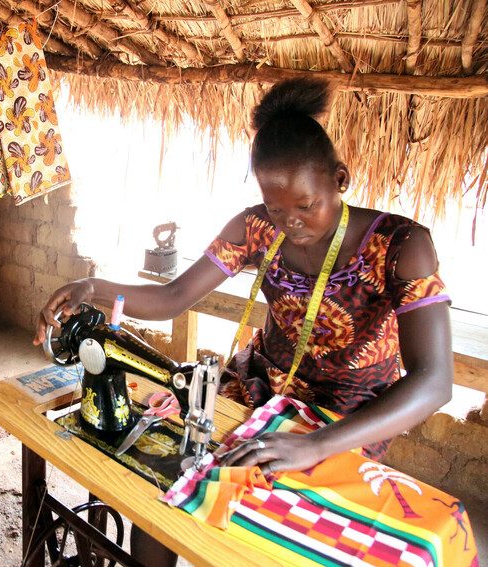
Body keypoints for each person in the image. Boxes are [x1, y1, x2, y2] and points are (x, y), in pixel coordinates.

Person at [32, 77, 453, 566]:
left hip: (350, 411)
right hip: (261, 382)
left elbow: (435, 381)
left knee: (279, 521)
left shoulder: (402, 246)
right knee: (172, 481)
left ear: (340, 178)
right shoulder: (256, 226)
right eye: (277, 208)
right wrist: (94, 288)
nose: (290, 223)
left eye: (306, 206)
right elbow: (173, 296)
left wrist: (313, 445)